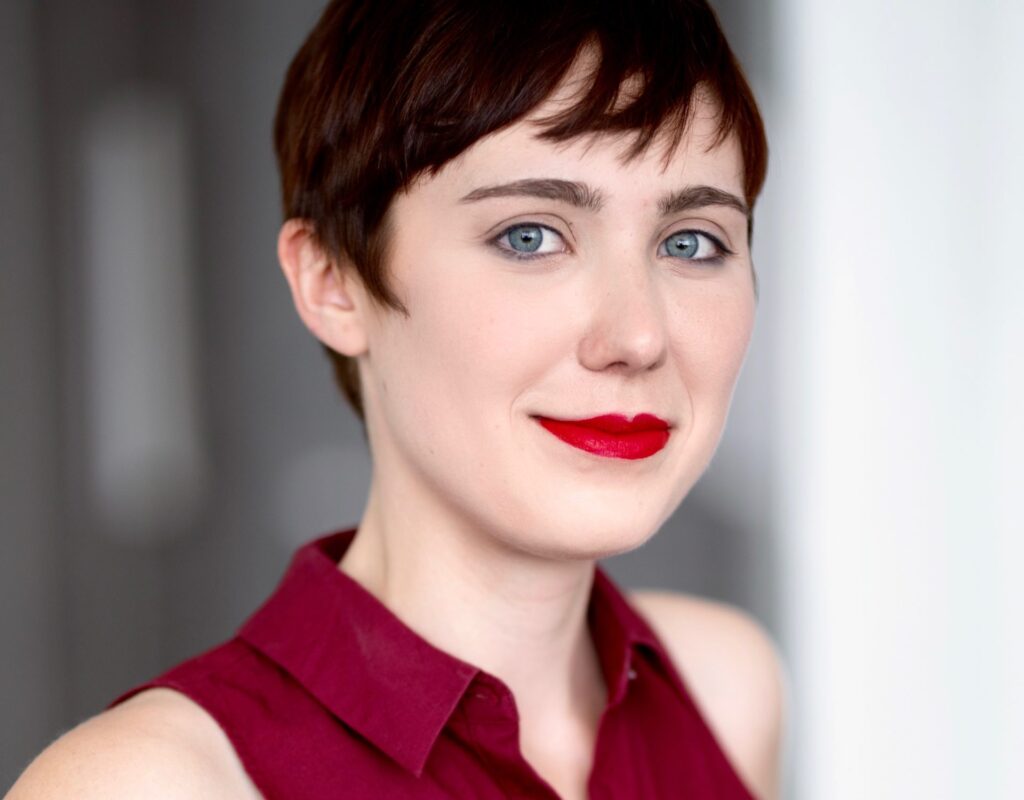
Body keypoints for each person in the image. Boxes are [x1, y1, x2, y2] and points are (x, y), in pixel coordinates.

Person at [7, 1, 784, 798]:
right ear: (331, 281)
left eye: (691, 242)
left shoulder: (725, 687)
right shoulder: (149, 785)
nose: (639, 335)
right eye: (529, 236)